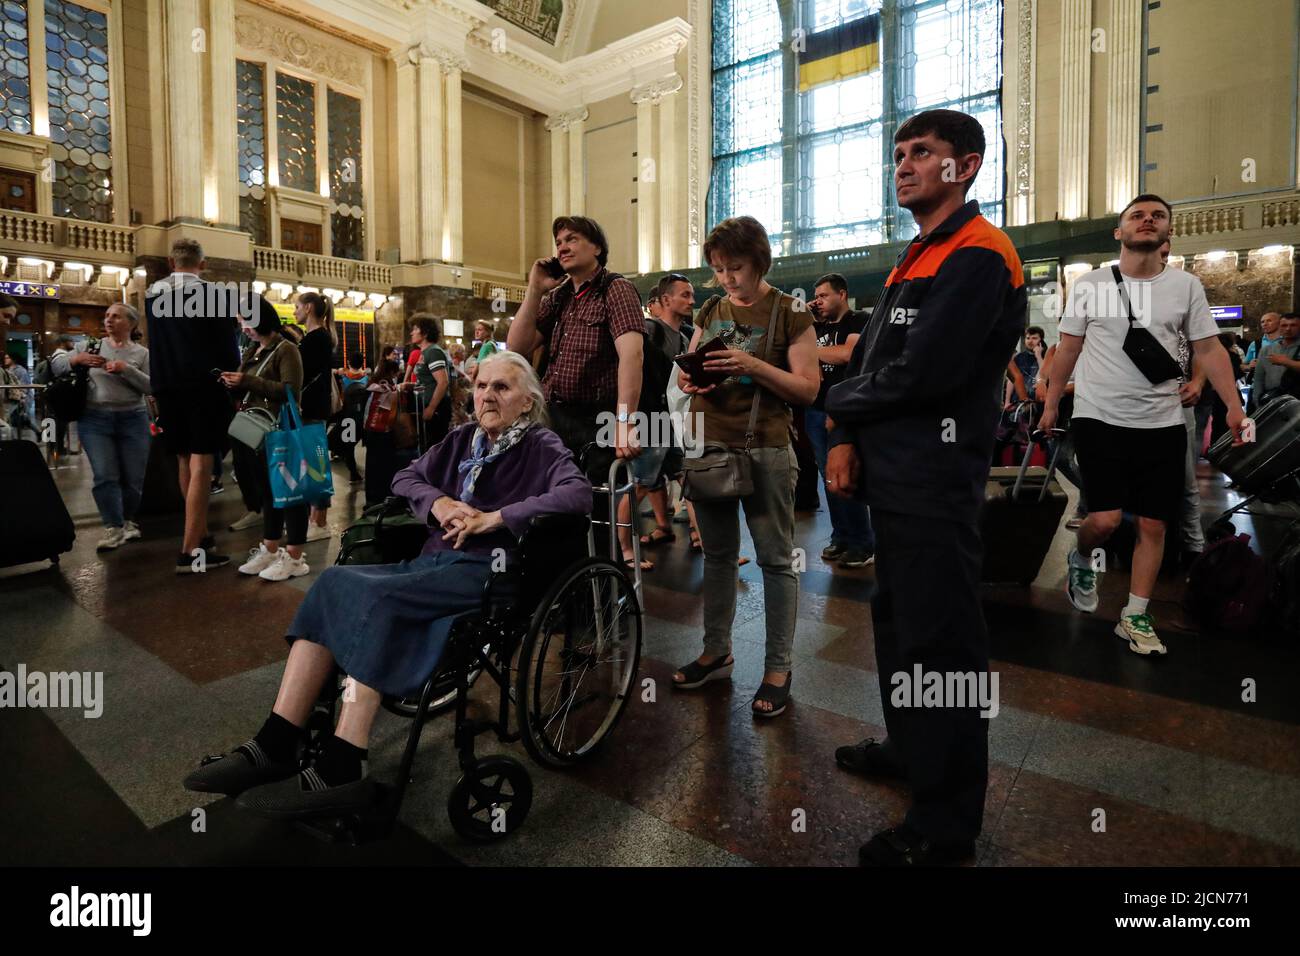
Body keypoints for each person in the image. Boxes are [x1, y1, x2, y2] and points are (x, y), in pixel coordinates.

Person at [182, 352, 592, 814]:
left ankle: (345, 761)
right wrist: (437, 504)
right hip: (434, 564)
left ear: (527, 402)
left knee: (374, 598)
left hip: (488, 573)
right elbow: (406, 476)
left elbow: (576, 494)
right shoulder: (462, 440)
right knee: (332, 582)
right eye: (482, 386)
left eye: (502, 388)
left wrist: (495, 518)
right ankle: (276, 742)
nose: (487, 396)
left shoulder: (540, 445)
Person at [826, 109, 1027, 867]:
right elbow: (873, 363)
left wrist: (829, 408)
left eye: (922, 154)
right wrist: (847, 434)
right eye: (899, 154)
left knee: (940, 653)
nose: (904, 165)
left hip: (936, 483)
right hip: (896, 480)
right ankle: (911, 750)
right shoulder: (919, 254)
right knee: (897, 629)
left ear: (964, 167)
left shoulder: (979, 253)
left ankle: (945, 829)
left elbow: (926, 373)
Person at [1040, 194, 1247, 656]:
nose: (1147, 220)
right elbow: (1067, 349)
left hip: (1163, 422)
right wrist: (1052, 404)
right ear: (1119, 232)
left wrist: (1234, 406)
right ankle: (1080, 556)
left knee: (1155, 524)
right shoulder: (1091, 285)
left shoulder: (1186, 286)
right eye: (1137, 215)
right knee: (1106, 519)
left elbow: (1209, 349)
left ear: (1167, 234)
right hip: (1100, 417)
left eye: (1157, 216)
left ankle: (1134, 615)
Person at [672, 215, 820, 720]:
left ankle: (778, 667)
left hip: (766, 449)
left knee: (776, 561)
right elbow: (691, 365)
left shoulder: (790, 310)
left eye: (735, 267)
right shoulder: (711, 308)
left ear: (760, 260)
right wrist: (693, 382)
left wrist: (751, 364)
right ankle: (717, 652)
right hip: (711, 445)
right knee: (716, 557)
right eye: (717, 269)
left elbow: (808, 387)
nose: (726, 278)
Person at [506, 216, 644, 475]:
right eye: (558, 242)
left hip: (595, 419)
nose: (562, 248)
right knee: (550, 505)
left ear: (597, 248)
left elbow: (632, 356)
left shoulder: (616, 289)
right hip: (552, 417)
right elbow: (516, 346)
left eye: (572, 239)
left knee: (595, 506)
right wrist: (535, 290)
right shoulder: (559, 296)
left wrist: (626, 421)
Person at [146, 238, 241, 573]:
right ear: (202, 264)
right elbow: (229, 350)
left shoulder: (153, 294)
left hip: (167, 386)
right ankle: (189, 552)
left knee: (185, 460)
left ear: (173, 263)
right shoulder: (214, 295)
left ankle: (199, 534)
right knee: (203, 463)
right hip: (203, 385)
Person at [221, 297, 312, 583]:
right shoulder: (253, 349)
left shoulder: (287, 350)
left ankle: (295, 556)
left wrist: (246, 382)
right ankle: (270, 548)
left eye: (245, 321)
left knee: (291, 492)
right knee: (267, 492)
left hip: (277, 430)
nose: (243, 327)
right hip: (252, 431)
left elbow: (289, 391)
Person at [51, 304, 151, 550]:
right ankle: (112, 526)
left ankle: (128, 521)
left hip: (133, 418)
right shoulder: (90, 346)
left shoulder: (142, 353)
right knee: (105, 474)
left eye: (115, 316)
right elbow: (57, 366)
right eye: (107, 316)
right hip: (95, 419)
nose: (109, 320)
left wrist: (125, 370)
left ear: (130, 323)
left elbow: (152, 387)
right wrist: (77, 359)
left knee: (134, 477)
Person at [616, 274, 695, 570]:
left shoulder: (685, 335)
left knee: (686, 477)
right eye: (684, 295)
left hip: (672, 418)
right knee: (637, 485)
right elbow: (634, 373)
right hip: (651, 419)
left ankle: (703, 540)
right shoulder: (648, 331)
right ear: (664, 300)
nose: (691, 300)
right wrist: (630, 421)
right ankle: (623, 549)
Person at [807, 273, 873, 568]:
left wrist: (812, 353)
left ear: (842, 294)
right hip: (814, 409)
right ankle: (841, 537)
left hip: (845, 410)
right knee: (827, 476)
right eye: (816, 296)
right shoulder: (814, 327)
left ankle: (862, 542)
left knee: (847, 474)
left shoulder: (858, 320)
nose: (818, 301)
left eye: (824, 295)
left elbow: (848, 354)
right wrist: (804, 321)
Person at [295, 292, 338, 542]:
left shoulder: (317, 338)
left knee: (317, 464)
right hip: (312, 409)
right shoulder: (316, 337)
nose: (295, 312)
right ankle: (315, 518)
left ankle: (319, 521)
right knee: (313, 463)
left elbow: (304, 372)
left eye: (297, 307)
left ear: (309, 308)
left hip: (313, 409)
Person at [403, 315, 452, 451]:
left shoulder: (434, 352)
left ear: (425, 332)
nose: (412, 333)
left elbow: (443, 382)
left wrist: (431, 407)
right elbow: (427, 381)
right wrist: (410, 385)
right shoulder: (424, 353)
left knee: (434, 449)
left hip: (436, 410)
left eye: (415, 329)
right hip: (425, 405)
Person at [1252, 313, 1300, 409]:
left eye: (1293, 325)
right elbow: (1259, 378)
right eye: (1284, 325)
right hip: (1272, 400)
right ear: (1279, 327)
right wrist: (1257, 401)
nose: (1288, 329)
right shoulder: (1266, 350)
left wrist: (1287, 362)